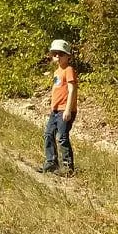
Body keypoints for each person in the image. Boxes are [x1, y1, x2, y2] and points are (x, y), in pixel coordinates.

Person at [40, 40, 77, 176]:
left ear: (68, 56)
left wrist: (68, 109)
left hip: (64, 110)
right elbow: (56, 90)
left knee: (62, 137)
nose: (58, 57)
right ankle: (51, 162)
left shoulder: (69, 70)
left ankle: (68, 167)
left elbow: (72, 90)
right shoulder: (57, 72)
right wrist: (52, 106)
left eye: (61, 54)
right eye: (55, 54)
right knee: (48, 134)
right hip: (55, 110)